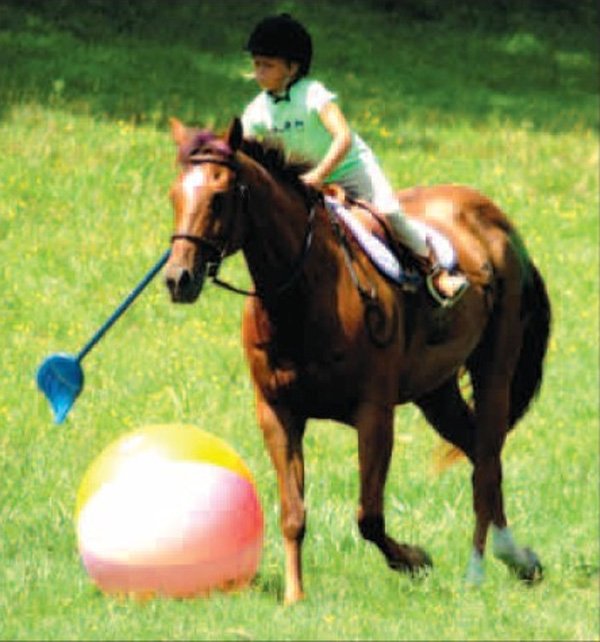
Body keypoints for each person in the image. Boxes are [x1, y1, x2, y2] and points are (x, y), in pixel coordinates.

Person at [241, 13, 468, 305]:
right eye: (256, 64)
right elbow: (241, 151)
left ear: (292, 68)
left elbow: (343, 137)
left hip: (350, 168)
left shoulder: (313, 95)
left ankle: (436, 270)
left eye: (267, 65)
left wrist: (320, 174)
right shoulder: (256, 111)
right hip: (306, 179)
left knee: (389, 212)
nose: (259, 72)